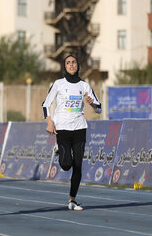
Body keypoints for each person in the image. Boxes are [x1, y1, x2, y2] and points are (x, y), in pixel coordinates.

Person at [42, 55, 101, 211]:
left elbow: (99, 108)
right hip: (62, 127)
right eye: (68, 63)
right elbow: (45, 104)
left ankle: (72, 200)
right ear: (65, 66)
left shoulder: (84, 85)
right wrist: (49, 122)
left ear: (78, 65)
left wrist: (92, 104)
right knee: (67, 164)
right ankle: (59, 150)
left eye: (73, 62)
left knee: (78, 164)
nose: (71, 65)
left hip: (80, 127)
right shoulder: (58, 84)